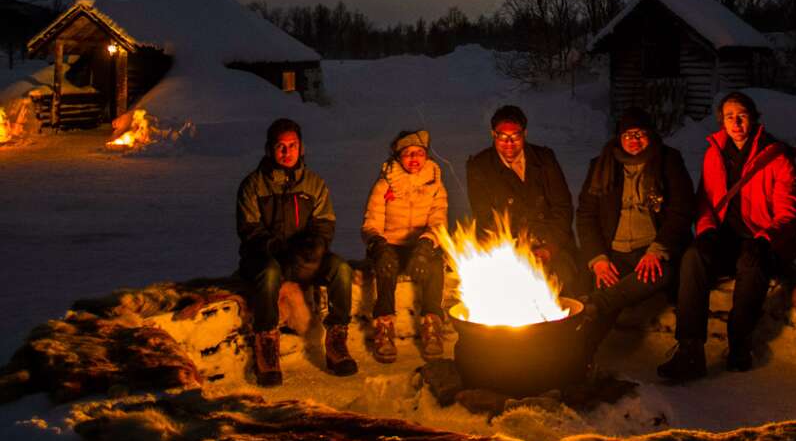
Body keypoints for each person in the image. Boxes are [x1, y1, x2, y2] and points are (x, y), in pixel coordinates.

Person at [658, 91, 796, 382]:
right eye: (728, 117)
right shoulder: (715, 152)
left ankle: (739, 343)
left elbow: (789, 214)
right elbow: (706, 201)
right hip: (726, 236)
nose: (735, 123)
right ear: (721, 122)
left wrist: (765, 239)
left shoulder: (777, 157)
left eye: (741, 116)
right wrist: (707, 231)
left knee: (751, 266)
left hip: (763, 240)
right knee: (693, 257)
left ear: (754, 118)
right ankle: (690, 348)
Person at [236, 118, 357, 386]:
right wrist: (279, 249)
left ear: (302, 148)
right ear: (270, 149)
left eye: (292, 146)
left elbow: (324, 224)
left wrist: (314, 248)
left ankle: (336, 338)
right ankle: (266, 343)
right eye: (281, 146)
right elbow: (250, 230)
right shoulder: (254, 185)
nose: (287, 152)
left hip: (303, 259)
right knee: (268, 274)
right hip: (267, 258)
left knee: (342, 269)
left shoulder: (313, 184)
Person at [576, 107, 695, 358]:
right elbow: (586, 216)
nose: (634, 140)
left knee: (657, 275)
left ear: (650, 135)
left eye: (640, 133)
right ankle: (578, 357)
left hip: (651, 249)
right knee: (603, 279)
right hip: (613, 251)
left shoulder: (668, 161)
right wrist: (597, 258)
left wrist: (658, 249)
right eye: (628, 134)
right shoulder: (603, 165)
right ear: (619, 137)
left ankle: (597, 303)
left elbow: (681, 211)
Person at [466, 105, 579, 295]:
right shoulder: (480, 166)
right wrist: (512, 252)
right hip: (508, 247)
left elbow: (563, 207)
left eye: (515, 136)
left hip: (549, 243)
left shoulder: (544, 159)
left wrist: (549, 247)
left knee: (563, 283)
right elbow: (484, 217)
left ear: (524, 134)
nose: (509, 143)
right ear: (493, 134)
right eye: (502, 137)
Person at [362, 129, 449, 363]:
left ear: (426, 156)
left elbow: (438, 223)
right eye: (408, 154)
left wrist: (425, 245)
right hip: (389, 243)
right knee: (386, 265)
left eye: (419, 153)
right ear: (399, 156)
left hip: (420, 243)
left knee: (434, 262)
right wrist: (378, 244)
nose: (414, 159)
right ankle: (384, 326)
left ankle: (432, 324)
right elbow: (372, 222)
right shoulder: (385, 184)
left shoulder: (435, 185)